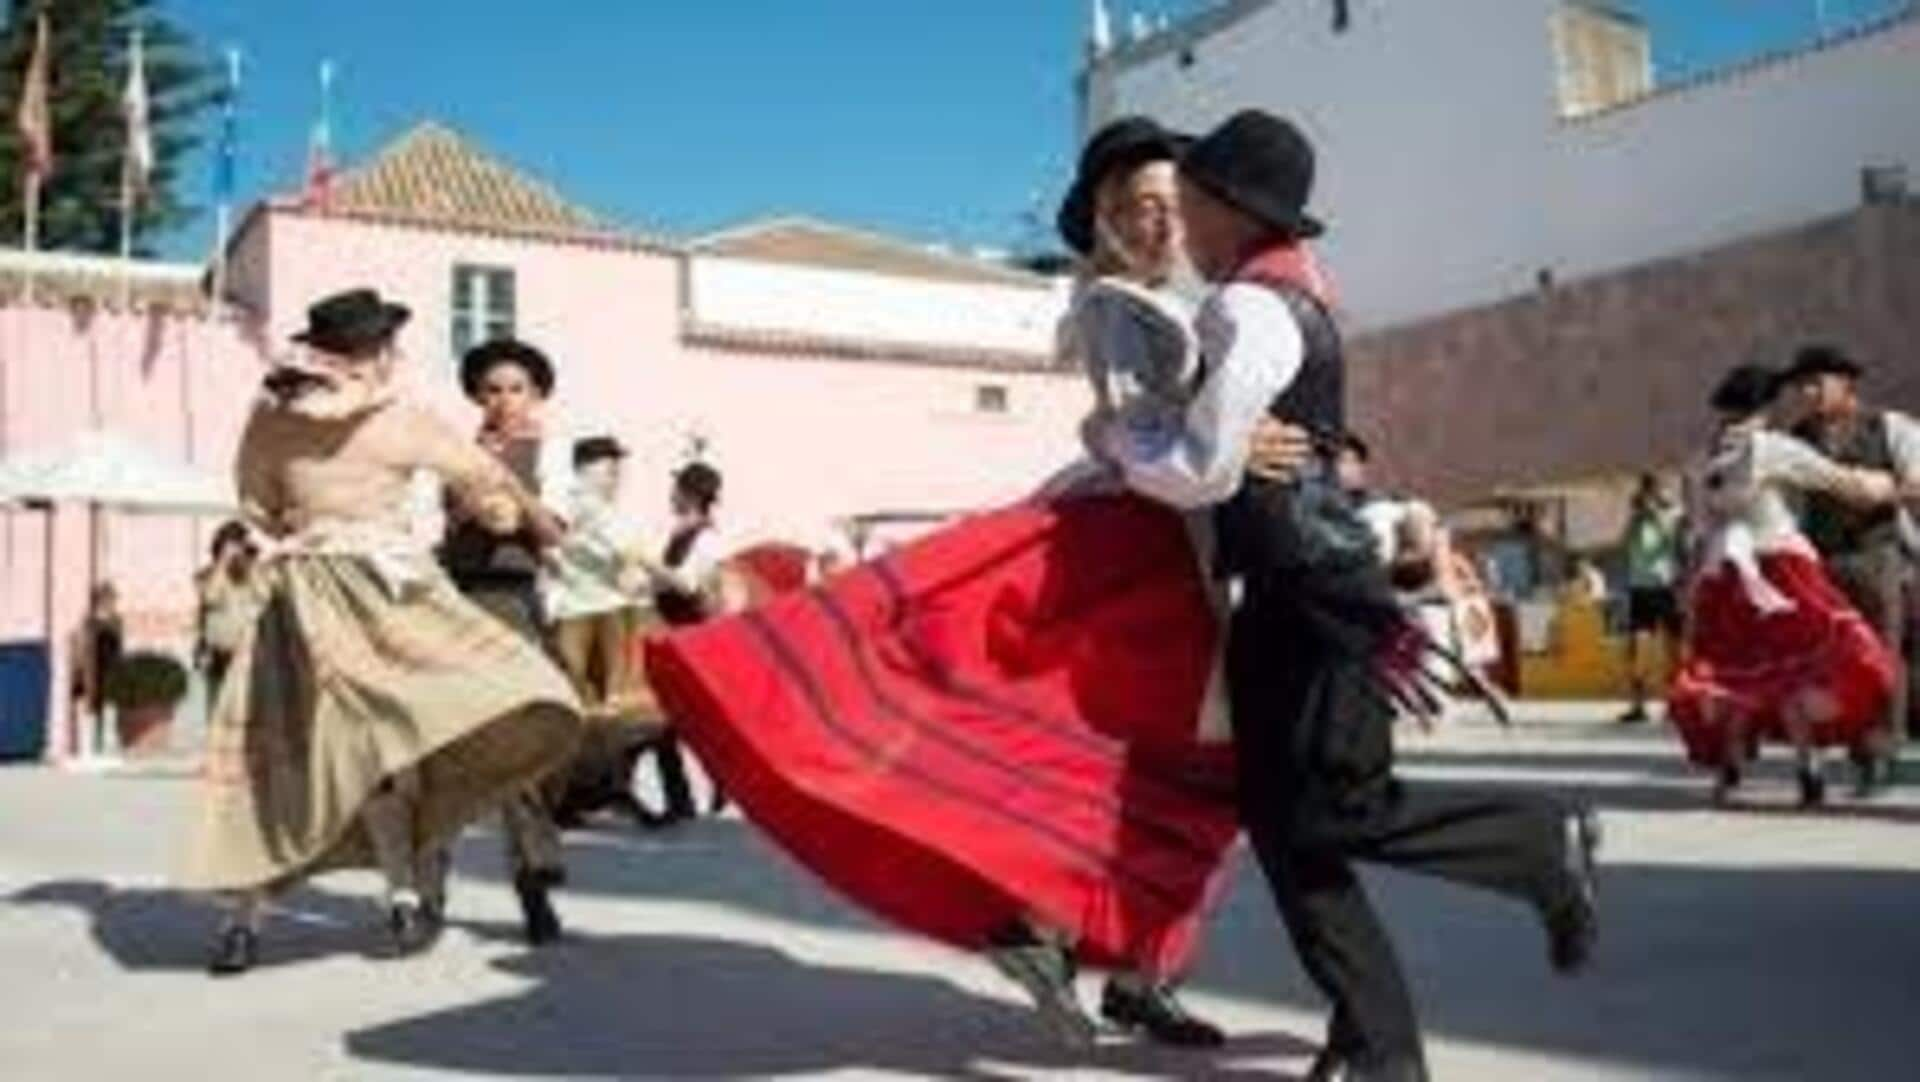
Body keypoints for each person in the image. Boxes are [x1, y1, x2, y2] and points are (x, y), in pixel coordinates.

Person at [641, 119, 1310, 1054]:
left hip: (1178, 545)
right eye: (1128, 209)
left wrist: (1233, 442)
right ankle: (1069, 939)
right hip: (1143, 550)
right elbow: (1156, 450)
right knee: (1145, 763)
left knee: (1154, 768)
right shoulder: (1127, 307)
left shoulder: (1200, 302)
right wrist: (1227, 446)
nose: (1151, 221)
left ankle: (1113, 959)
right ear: (1105, 227)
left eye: (1165, 202)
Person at [1091, 110, 1598, 1082]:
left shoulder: (1252, 309)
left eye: (1188, 203)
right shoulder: (1286, 289)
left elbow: (1197, 464)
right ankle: (1378, 1046)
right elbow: (1231, 448)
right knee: (1284, 824)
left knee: (1334, 810)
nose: (1180, 225)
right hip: (1292, 586)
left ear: (1228, 208)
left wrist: (1114, 440)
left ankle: (1540, 840)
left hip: (1314, 590)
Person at [180, 288, 580, 976]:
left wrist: (304, 530)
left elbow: (254, 502)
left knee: (285, 752)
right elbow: (486, 482)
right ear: (376, 352)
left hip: (301, 595)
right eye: (388, 345)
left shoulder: (272, 416)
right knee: (452, 721)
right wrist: (496, 508)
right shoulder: (401, 415)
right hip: (392, 594)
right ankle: (412, 893)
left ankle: (251, 920)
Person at [1667, 365, 1898, 806]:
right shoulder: (1768, 448)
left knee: (1736, 675)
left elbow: (1698, 530)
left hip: (1724, 577)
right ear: (1765, 407)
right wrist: (1884, 486)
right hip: (1780, 569)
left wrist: (1692, 591)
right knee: (1797, 670)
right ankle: (1808, 769)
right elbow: (1839, 481)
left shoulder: (1701, 459)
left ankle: (1729, 770)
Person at [438, 336, 579, 944]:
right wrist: (468, 491)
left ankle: (531, 883)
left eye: (516, 388)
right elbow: (440, 527)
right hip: (453, 600)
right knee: (440, 745)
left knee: (518, 745)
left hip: (514, 603)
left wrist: (510, 486)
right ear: (476, 395)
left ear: (537, 394)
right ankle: (426, 887)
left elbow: (552, 535)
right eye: (492, 389)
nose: (503, 400)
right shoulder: (450, 453)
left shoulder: (551, 453)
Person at [1781, 343, 1919, 794]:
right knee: (1832, 662)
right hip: (1821, 562)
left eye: (1817, 383)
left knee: (1881, 655)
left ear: (1846, 383)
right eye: (1803, 385)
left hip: (1877, 557)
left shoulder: (1889, 427)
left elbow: (1918, 480)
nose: (1809, 393)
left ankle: (1879, 753)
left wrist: (1883, 491)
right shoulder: (1797, 438)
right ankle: (1845, 751)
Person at [544, 436, 654, 826]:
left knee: (597, 710)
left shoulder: (581, 504)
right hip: (592, 614)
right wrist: (666, 578)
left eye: (616, 468)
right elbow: (625, 552)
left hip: (590, 611)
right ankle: (582, 794)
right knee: (606, 709)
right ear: (588, 469)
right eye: (610, 468)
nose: (617, 476)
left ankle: (585, 793)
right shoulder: (587, 504)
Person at [624, 461, 735, 826]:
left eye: (676, 489)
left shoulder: (706, 538)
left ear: (690, 494)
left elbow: (688, 584)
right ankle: (687, 796)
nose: (671, 495)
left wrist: (648, 565)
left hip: (693, 633)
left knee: (675, 720)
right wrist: (643, 583)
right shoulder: (680, 532)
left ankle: (705, 788)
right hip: (674, 629)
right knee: (671, 721)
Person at [1616, 473, 1683, 723]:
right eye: (1643, 491)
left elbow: (1671, 544)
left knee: (1672, 649)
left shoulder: (1673, 514)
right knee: (1637, 647)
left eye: (1650, 490)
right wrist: (1636, 519)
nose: (1645, 496)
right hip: (1639, 588)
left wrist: (1655, 514)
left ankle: (1676, 703)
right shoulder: (1636, 519)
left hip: (1665, 587)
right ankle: (1638, 704)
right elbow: (1623, 545)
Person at [193, 521, 264, 708]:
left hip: (250, 657)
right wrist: (223, 563)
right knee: (218, 712)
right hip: (220, 657)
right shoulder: (208, 575)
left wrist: (252, 564)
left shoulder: (254, 574)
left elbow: (263, 595)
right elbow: (211, 597)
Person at [66, 582, 124, 757]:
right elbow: (84, 645)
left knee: (109, 709)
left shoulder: (116, 620)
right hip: (93, 669)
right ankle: (88, 748)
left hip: (111, 670)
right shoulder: (89, 621)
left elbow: (119, 646)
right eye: (106, 598)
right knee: (90, 709)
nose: (110, 602)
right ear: (98, 599)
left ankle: (106, 747)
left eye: (112, 598)